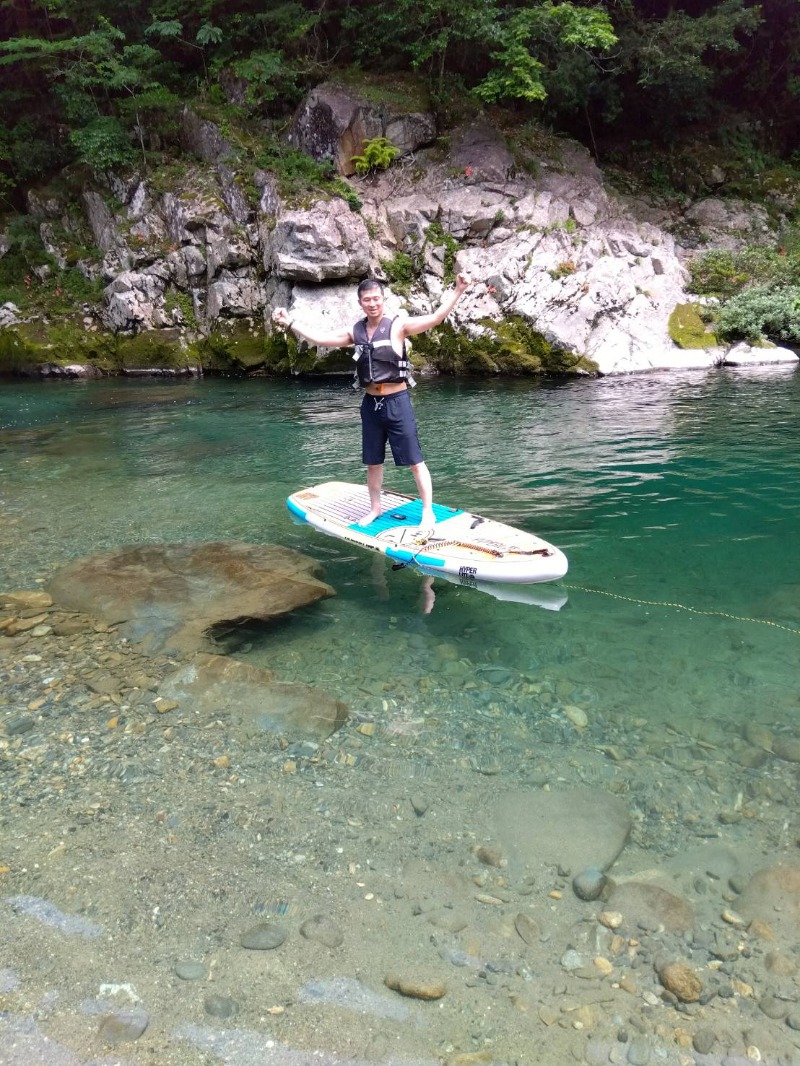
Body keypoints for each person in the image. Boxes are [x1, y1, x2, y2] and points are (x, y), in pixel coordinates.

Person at [272, 273, 471, 535]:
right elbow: (320, 339)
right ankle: (375, 508)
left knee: (415, 460)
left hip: (397, 401)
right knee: (373, 461)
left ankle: (427, 512)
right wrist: (290, 323)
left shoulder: (399, 326)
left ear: (383, 300)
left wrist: (457, 291)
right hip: (371, 404)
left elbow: (435, 318)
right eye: (367, 300)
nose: (372, 303)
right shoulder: (355, 332)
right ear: (360, 303)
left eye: (376, 298)